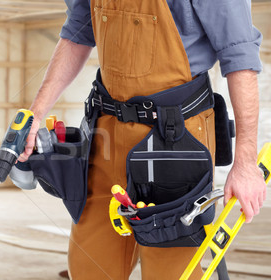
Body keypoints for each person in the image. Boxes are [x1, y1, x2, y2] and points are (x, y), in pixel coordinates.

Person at [17, 0, 267, 279]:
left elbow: (240, 58)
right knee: (90, 268)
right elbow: (77, 32)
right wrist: (35, 115)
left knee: (170, 271)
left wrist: (245, 163)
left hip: (176, 140)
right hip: (106, 132)